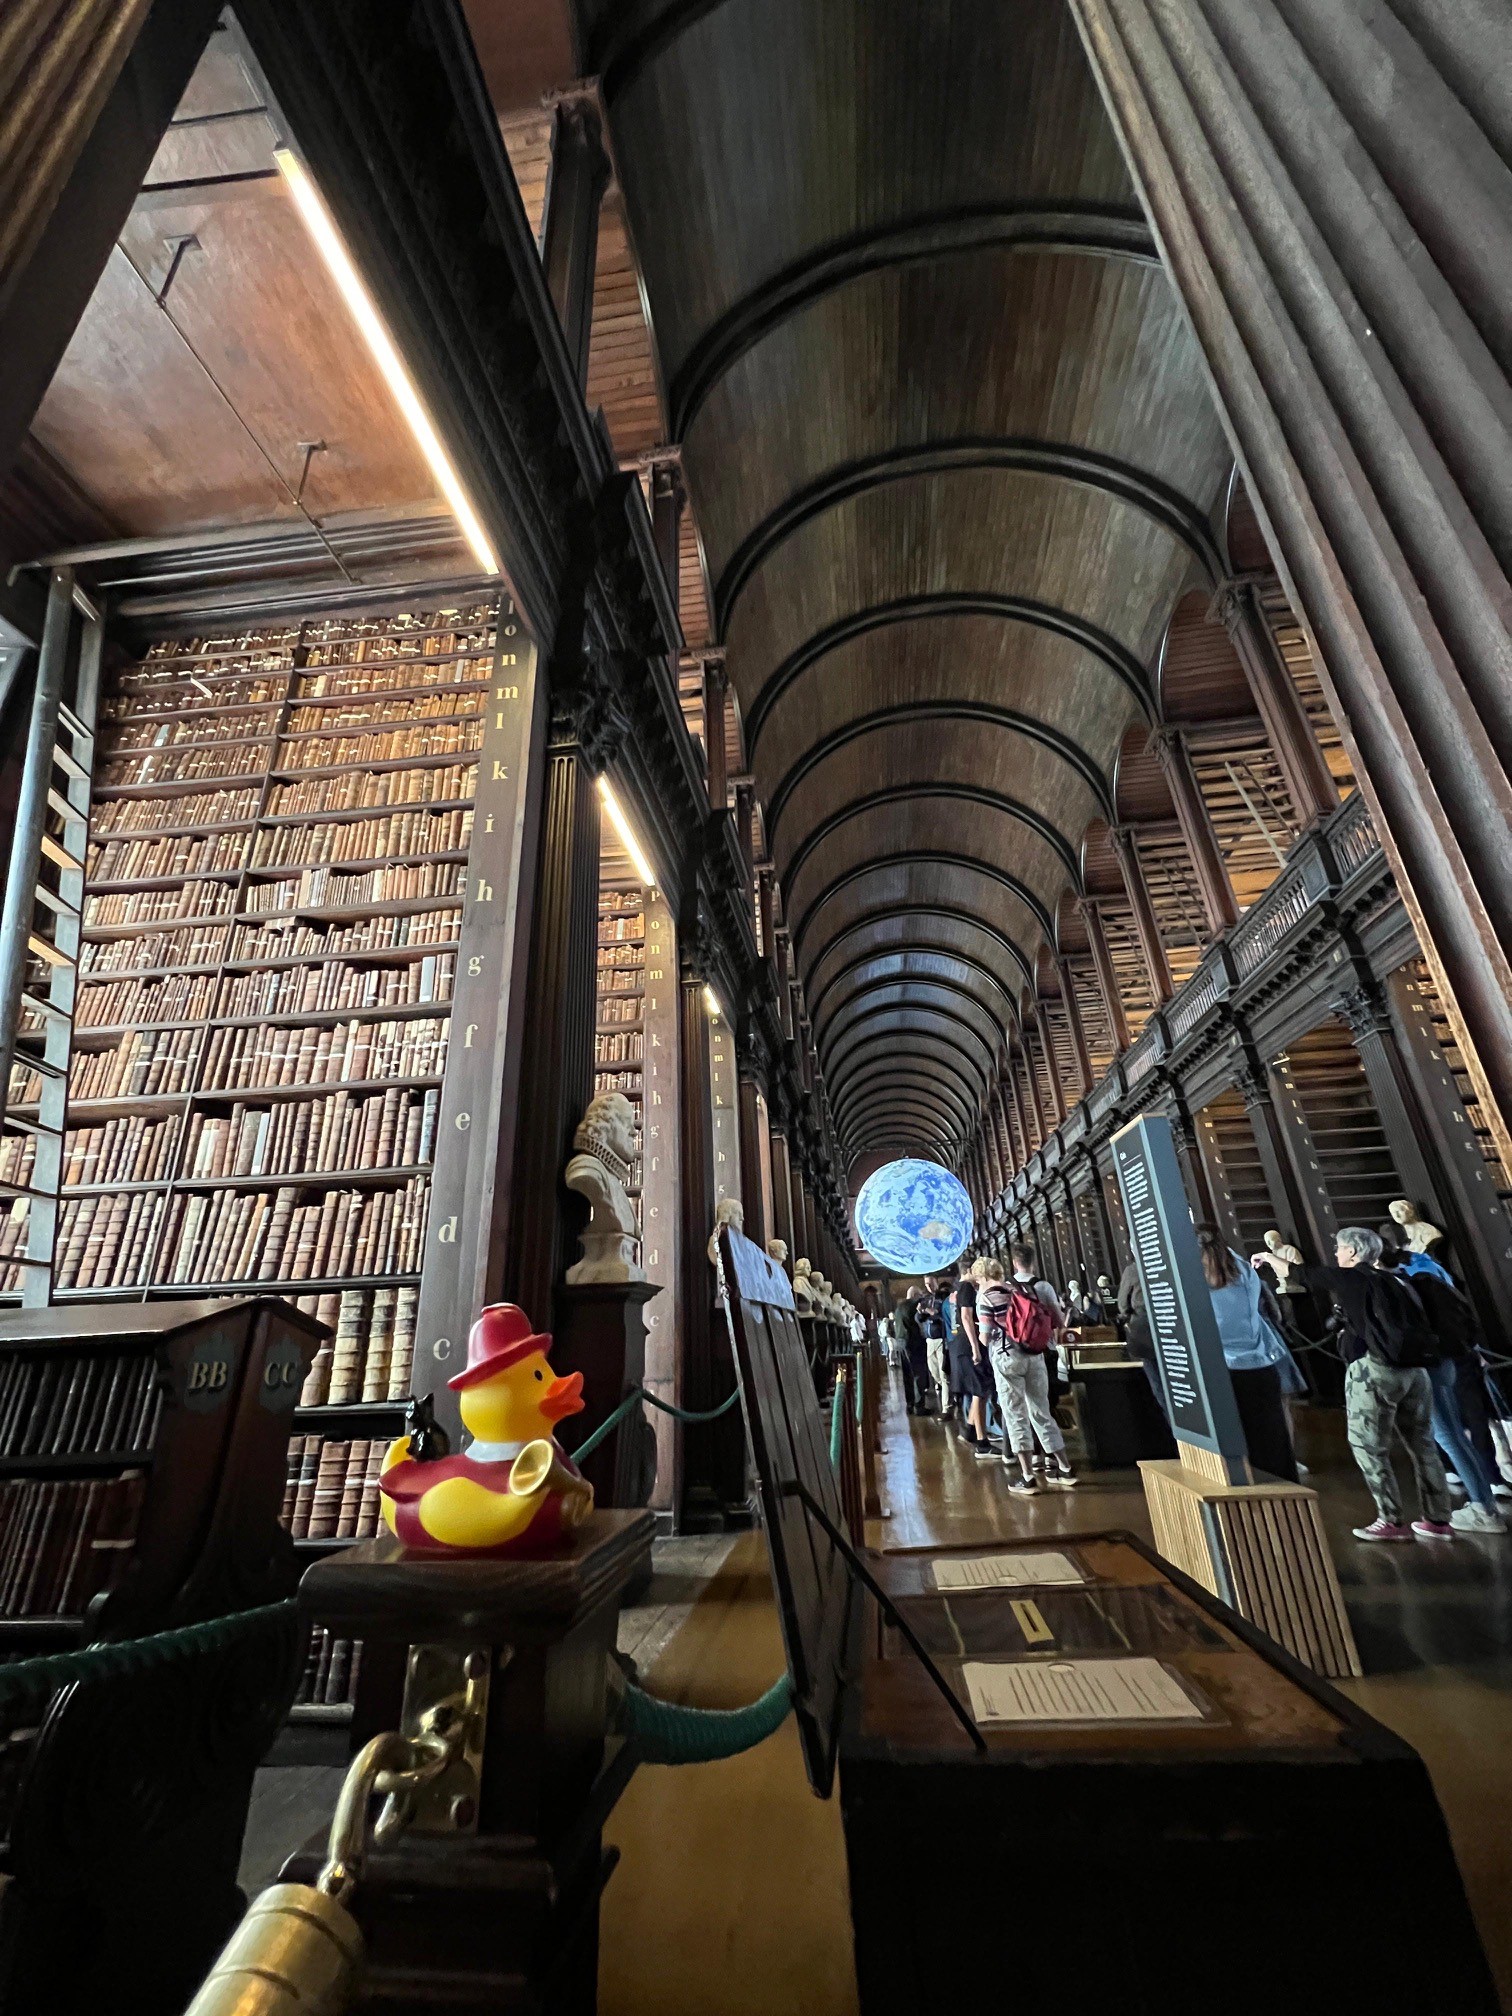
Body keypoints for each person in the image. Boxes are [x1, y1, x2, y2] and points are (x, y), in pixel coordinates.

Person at [1255, 1226, 1452, 1542]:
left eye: (1340, 1249)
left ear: (1354, 1252)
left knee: (1368, 1445)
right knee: (1423, 1444)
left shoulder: (1351, 1278)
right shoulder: (1396, 1279)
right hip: (1417, 1371)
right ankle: (1439, 1519)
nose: (1336, 1254)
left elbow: (1299, 1273)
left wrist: (1266, 1257)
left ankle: (1391, 1520)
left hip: (1374, 1370)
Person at [1376, 1225, 1506, 1534]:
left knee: (1447, 1437)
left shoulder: (1395, 1285)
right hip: (1447, 1360)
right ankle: (1483, 1500)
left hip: (1427, 1365)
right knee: (1453, 1436)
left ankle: (1483, 1509)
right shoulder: (1420, 1272)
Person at [1195, 1228, 1302, 1482]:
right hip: (1260, 1364)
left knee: (1231, 1452)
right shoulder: (1244, 1271)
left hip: (1220, 1368)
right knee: (1272, 1443)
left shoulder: (1194, 1279)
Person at [977, 1247, 1076, 1494]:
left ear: (983, 1276)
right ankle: (1064, 1469)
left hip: (1007, 1356)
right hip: (1034, 1354)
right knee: (1042, 1410)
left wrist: (982, 1335)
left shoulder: (987, 1297)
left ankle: (1027, 1476)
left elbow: (985, 1337)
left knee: (1015, 1414)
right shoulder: (1018, 1290)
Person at [950, 1257, 996, 1459]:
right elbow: (967, 1317)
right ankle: (982, 1443)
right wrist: (976, 1347)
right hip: (968, 1344)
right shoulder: (967, 1288)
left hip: (961, 1343)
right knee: (980, 1390)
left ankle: (969, 1430)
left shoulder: (959, 1288)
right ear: (969, 1270)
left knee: (980, 1390)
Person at [918, 1277, 951, 1418]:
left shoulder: (944, 1298)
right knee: (934, 1372)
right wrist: (921, 1313)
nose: (930, 1286)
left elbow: (946, 1316)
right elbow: (919, 1319)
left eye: (931, 1283)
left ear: (936, 1282)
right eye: (927, 1284)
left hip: (941, 1339)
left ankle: (946, 1408)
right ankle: (947, 1393)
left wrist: (933, 1314)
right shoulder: (925, 1299)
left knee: (943, 1374)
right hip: (929, 1340)